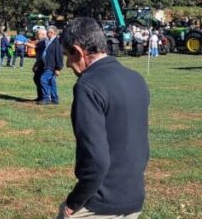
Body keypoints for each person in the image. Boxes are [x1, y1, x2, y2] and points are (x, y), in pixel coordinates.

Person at [57, 18, 149, 219]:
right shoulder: (136, 79)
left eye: (67, 55)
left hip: (98, 204)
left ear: (78, 51)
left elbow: (96, 159)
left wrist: (73, 203)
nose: (67, 64)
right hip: (133, 197)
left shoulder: (88, 86)